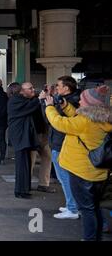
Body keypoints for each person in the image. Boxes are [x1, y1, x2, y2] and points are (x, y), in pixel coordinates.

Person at [44, 85, 112, 241]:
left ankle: (89, 239)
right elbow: (77, 116)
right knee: (94, 208)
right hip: (98, 172)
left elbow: (60, 123)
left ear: (89, 105)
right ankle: (96, 237)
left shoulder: (85, 122)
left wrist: (49, 107)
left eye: (82, 100)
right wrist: (65, 106)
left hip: (82, 172)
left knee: (86, 210)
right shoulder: (102, 118)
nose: (79, 101)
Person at [39, 76, 81, 219]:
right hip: (59, 141)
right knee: (67, 177)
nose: (56, 88)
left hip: (61, 142)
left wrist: (47, 105)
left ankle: (73, 208)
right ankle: (72, 205)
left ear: (66, 88)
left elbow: (53, 121)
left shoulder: (69, 102)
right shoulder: (69, 100)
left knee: (65, 177)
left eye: (58, 86)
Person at [7, 82, 41, 199]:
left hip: (22, 136)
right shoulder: (16, 101)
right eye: (30, 88)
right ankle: (20, 190)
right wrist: (38, 99)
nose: (33, 90)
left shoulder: (19, 100)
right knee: (22, 164)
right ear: (21, 91)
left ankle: (25, 188)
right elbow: (29, 107)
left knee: (26, 163)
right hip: (20, 136)